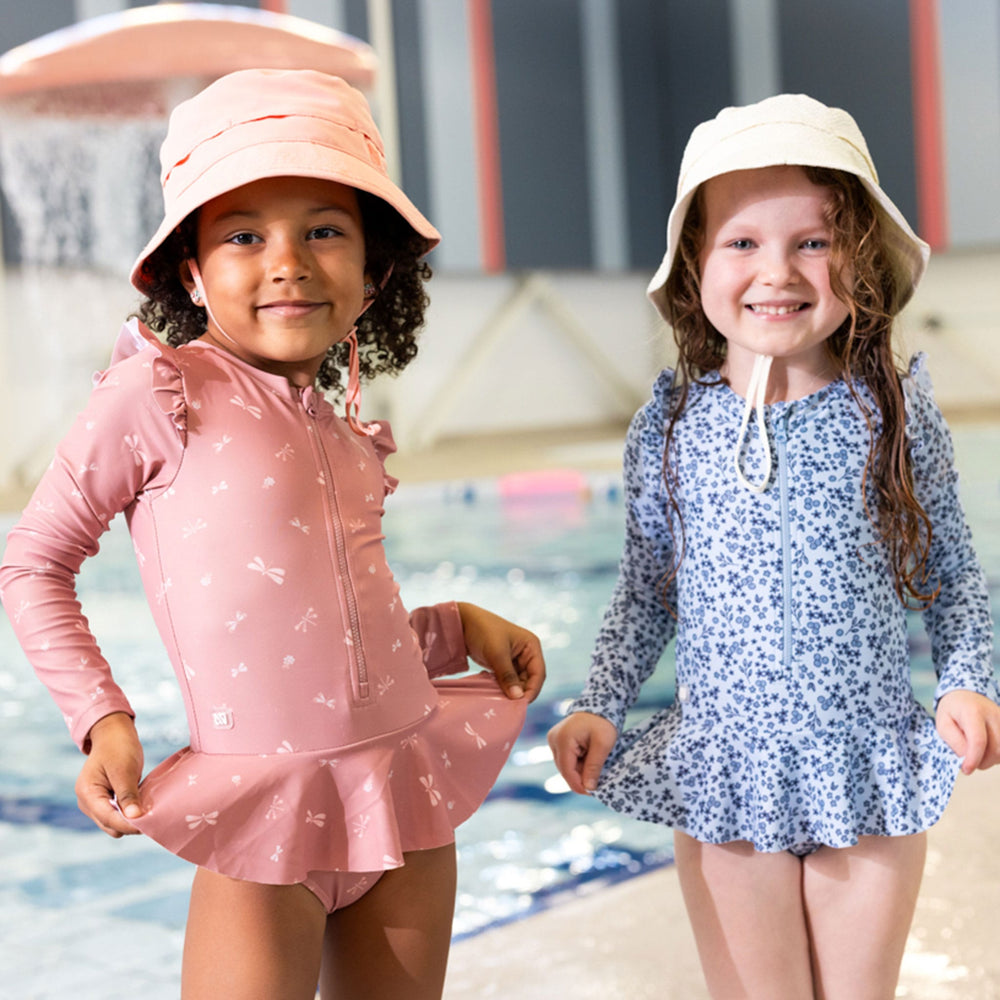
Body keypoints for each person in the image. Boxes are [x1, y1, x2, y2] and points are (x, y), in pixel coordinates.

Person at [0, 68, 545, 1000]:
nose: (287, 261)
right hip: (264, 818)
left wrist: (453, 628)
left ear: (373, 272)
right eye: (244, 235)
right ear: (191, 270)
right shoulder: (159, 395)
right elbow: (33, 563)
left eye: (324, 231)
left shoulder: (347, 431)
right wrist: (102, 716)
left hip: (403, 796)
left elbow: (330, 631)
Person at [548, 94, 1000, 999]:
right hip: (727, 778)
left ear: (859, 255)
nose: (777, 271)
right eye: (742, 242)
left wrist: (968, 680)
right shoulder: (671, 428)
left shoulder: (892, 414)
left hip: (865, 766)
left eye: (814, 241)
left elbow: (952, 573)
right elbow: (647, 590)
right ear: (695, 265)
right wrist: (600, 704)